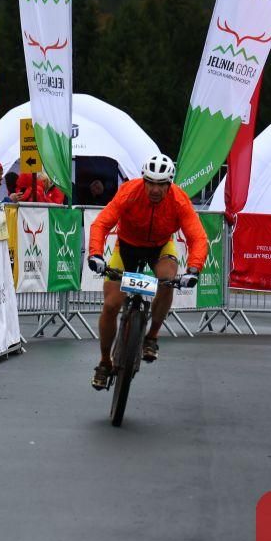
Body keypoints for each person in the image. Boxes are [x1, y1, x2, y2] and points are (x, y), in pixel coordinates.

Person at [86, 154, 208, 390]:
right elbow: (101, 223)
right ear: (144, 181)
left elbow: (198, 237)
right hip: (127, 246)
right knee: (111, 305)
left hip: (160, 246)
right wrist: (95, 254)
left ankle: (151, 336)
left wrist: (193, 269)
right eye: (150, 183)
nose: (154, 189)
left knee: (167, 280)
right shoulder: (129, 192)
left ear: (169, 184)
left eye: (161, 184)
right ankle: (104, 362)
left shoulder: (179, 201)